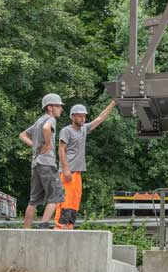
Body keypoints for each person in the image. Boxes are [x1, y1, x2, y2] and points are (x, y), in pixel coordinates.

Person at [55, 100, 117, 229]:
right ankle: (60, 226)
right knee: (65, 201)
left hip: (77, 172)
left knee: (75, 201)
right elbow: (61, 149)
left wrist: (112, 104)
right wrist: (65, 170)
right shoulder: (66, 131)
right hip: (68, 171)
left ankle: (69, 225)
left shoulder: (84, 129)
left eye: (84, 116)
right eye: (79, 115)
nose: (83, 118)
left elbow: (100, 118)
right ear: (72, 116)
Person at [19, 93, 65, 228]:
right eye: (59, 106)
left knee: (33, 200)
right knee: (57, 195)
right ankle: (43, 224)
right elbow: (46, 129)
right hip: (47, 163)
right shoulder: (51, 119)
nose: (61, 109)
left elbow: (22, 135)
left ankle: (26, 230)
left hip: (36, 163)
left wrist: (35, 146)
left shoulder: (38, 120)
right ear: (50, 107)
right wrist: (48, 144)